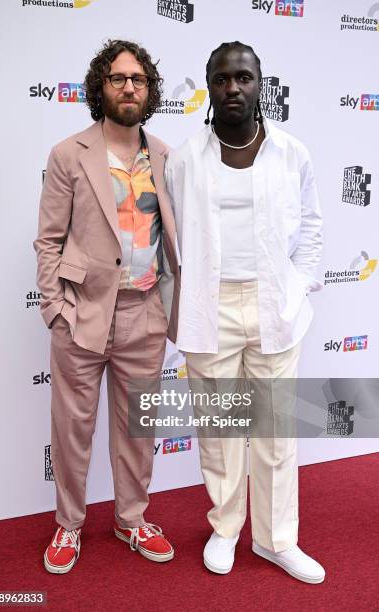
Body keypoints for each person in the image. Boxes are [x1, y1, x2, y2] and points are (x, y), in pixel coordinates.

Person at [165, 41, 325, 583]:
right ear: (208, 86)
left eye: (243, 77)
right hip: (210, 309)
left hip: (275, 307)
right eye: (221, 78)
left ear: (260, 84)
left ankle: (277, 539)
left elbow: (312, 229)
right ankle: (227, 527)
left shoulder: (291, 153)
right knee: (221, 431)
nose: (233, 87)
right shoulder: (185, 159)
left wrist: (298, 287)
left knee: (278, 431)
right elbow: (170, 242)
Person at [34, 39, 180, 574]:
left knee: (139, 428)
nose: (128, 88)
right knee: (72, 429)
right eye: (118, 78)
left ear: (149, 90)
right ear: (102, 87)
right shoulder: (69, 153)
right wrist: (56, 310)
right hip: (82, 313)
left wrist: (170, 311)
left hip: (145, 311)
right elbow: (48, 240)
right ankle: (69, 525)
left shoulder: (166, 155)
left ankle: (131, 518)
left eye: (138, 80)